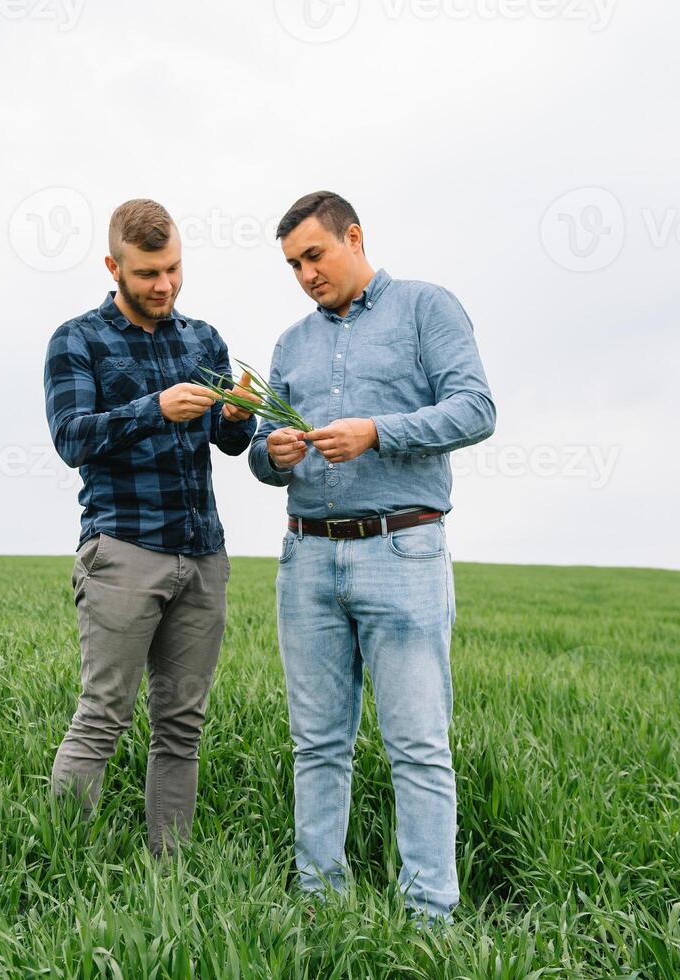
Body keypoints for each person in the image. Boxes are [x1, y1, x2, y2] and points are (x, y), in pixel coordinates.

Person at [249, 190, 496, 922]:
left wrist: (376, 432)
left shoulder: (426, 308)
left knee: (417, 746)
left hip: (402, 548)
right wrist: (275, 451)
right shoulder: (291, 344)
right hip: (308, 560)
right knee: (316, 745)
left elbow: (476, 408)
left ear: (354, 237)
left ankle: (430, 919)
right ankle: (320, 906)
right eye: (293, 264)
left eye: (315, 256)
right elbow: (263, 462)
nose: (305, 275)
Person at [44, 198, 257, 859]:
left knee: (181, 727)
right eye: (146, 274)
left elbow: (232, 441)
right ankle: (60, 864)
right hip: (124, 552)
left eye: (172, 269)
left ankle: (171, 873)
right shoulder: (77, 339)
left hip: (202, 555)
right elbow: (71, 437)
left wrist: (237, 416)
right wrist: (153, 408)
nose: (163, 285)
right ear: (114, 267)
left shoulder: (203, 340)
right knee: (102, 718)